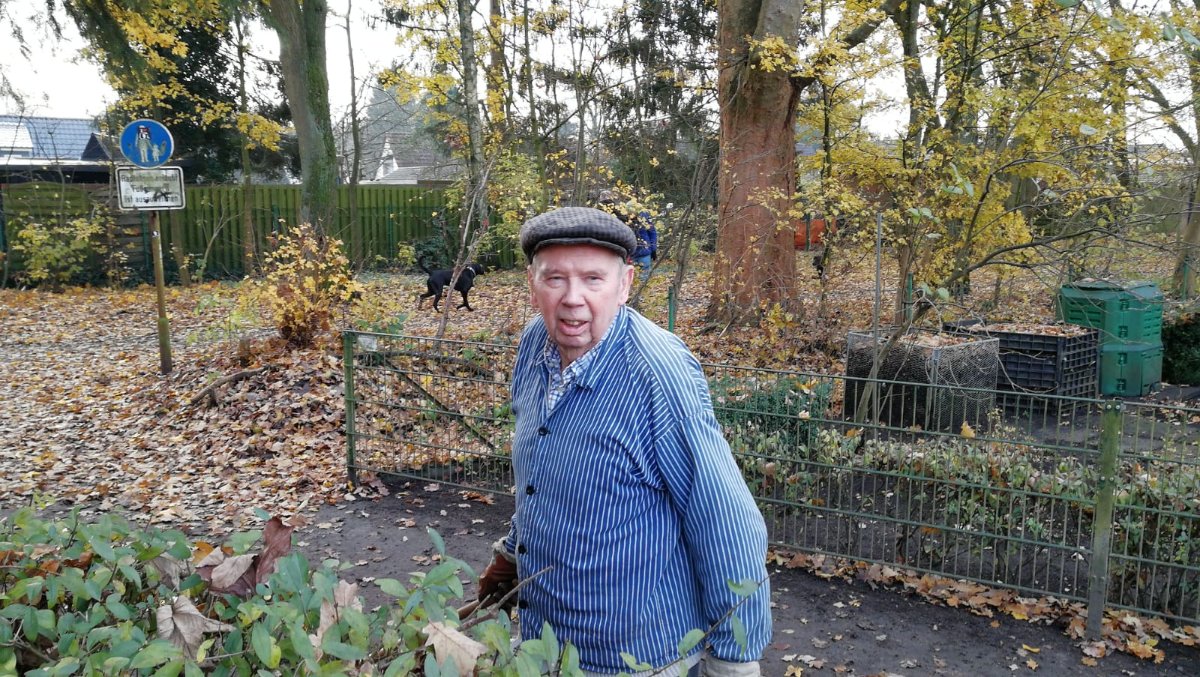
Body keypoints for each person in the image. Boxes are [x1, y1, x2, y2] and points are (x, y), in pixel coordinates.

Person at [478, 206, 771, 676]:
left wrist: (735, 660)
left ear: (625, 285)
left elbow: (725, 519)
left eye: (593, 279)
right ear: (532, 285)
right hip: (546, 641)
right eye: (555, 279)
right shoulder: (535, 345)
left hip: (637, 657)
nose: (573, 299)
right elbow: (540, 474)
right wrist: (513, 555)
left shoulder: (658, 373)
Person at [630, 209, 658, 283]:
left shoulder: (644, 216)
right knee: (630, 278)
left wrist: (653, 249)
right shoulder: (624, 216)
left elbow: (652, 233)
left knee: (643, 278)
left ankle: (642, 290)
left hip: (644, 252)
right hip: (630, 253)